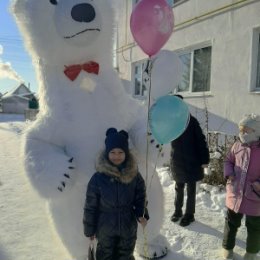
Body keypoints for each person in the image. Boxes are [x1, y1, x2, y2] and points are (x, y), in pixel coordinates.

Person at [83, 127, 149, 260]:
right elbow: (90, 206)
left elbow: (141, 197)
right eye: (113, 152)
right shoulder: (98, 178)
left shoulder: (134, 175)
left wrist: (142, 214)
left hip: (128, 227)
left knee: (126, 255)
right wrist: (90, 229)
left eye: (120, 152)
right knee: (105, 255)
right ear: (107, 153)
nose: (116, 156)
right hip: (104, 227)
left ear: (126, 153)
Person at [222, 114, 260, 260]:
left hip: (255, 197)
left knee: (254, 228)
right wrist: (229, 173)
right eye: (240, 130)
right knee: (231, 224)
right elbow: (228, 161)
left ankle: (251, 253)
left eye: (245, 131)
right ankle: (227, 247)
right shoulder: (237, 145)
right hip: (235, 193)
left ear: (256, 131)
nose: (241, 133)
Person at [170, 94, 209, 227]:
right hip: (177, 161)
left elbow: (201, 141)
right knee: (178, 187)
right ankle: (177, 211)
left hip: (192, 162)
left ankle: (190, 214)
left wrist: (205, 159)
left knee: (191, 189)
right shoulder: (170, 122)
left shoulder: (191, 122)